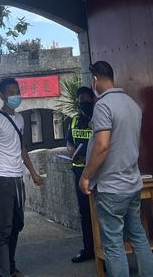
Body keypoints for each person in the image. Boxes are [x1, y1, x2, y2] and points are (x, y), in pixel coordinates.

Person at [78, 61, 153, 277]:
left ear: (94, 80)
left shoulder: (103, 106)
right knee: (139, 235)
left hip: (111, 187)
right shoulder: (131, 104)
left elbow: (102, 146)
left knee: (113, 244)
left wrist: (86, 176)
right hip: (133, 183)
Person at [0, 77, 45, 277]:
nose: (15, 95)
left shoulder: (19, 119)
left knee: (17, 225)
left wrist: (33, 173)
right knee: (4, 228)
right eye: (11, 92)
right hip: (1, 179)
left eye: (17, 91)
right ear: (2, 96)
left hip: (17, 178)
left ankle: (11, 266)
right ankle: (4, 273)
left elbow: (22, 148)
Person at [66, 86, 95, 263]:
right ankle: (89, 249)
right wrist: (72, 152)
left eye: (86, 100)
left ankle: (106, 252)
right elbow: (69, 142)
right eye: (80, 101)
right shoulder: (75, 121)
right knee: (85, 212)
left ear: (93, 101)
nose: (83, 104)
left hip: (97, 172)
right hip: (79, 171)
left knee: (101, 213)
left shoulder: (99, 119)